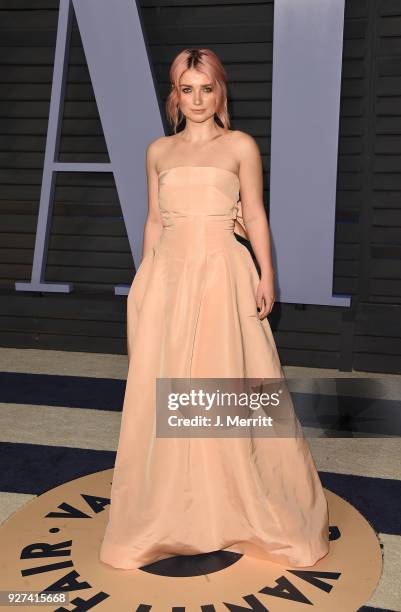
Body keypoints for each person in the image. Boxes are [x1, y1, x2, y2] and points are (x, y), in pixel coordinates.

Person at [99, 48, 330, 570]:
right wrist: (145, 279)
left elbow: (256, 214)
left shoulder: (240, 146)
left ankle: (239, 503)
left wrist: (268, 274)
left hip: (225, 274)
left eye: (207, 88)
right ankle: (178, 508)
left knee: (236, 381)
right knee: (168, 386)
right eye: (187, 89)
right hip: (168, 278)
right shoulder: (157, 151)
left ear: (220, 92)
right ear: (174, 95)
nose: (198, 99)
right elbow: (155, 222)